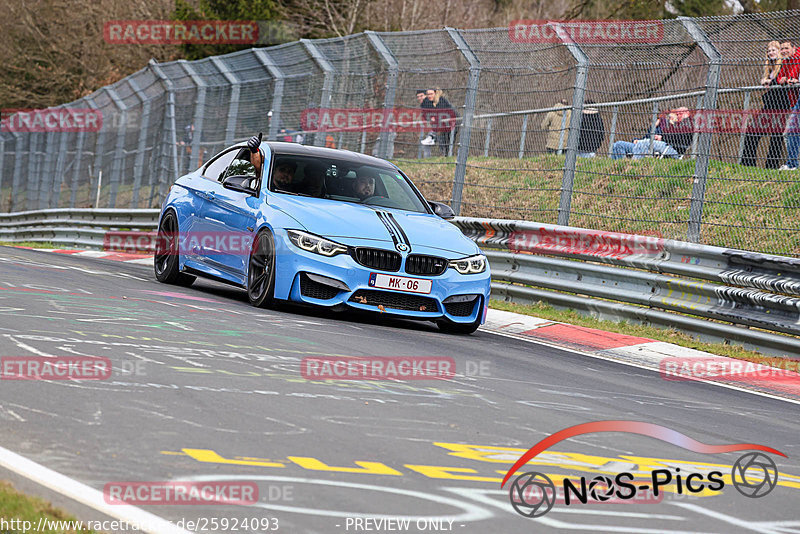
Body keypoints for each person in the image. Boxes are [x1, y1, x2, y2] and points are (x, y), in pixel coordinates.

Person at [741, 41, 789, 169]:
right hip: (769, 105)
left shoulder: (784, 64)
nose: (771, 53)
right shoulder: (770, 68)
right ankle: (748, 164)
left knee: (776, 136)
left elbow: (783, 81)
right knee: (752, 131)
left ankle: (771, 166)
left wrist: (769, 81)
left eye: (774, 50)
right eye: (769, 51)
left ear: (779, 52)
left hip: (782, 104)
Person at [610, 109, 689, 160]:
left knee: (644, 143)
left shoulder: (685, 127)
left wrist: (662, 137)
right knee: (618, 144)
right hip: (645, 145)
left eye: (680, 113)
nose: (678, 115)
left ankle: (633, 168)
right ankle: (620, 167)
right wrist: (637, 139)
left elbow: (678, 140)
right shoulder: (660, 126)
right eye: (677, 113)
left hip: (666, 147)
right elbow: (647, 137)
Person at [778, 40, 800, 170]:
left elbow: (792, 75)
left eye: (786, 48)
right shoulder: (787, 60)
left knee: (791, 130)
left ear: (794, 48)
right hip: (794, 99)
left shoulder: (797, 56)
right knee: (791, 132)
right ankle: (792, 163)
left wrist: (791, 79)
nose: (784, 51)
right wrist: (785, 79)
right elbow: (781, 76)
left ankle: (792, 164)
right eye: (782, 49)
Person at [422, 87, 456, 156]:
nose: (429, 96)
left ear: (435, 93)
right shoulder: (428, 102)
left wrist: (435, 118)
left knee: (448, 141)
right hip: (440, 125)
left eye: (431, 94)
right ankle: (445, 155)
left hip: (450, 123)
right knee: (442, 142)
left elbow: (445, 114)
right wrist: (430, 118)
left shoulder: (441, 100)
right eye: (428, 94)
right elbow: (425, 114)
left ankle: (432, 136)